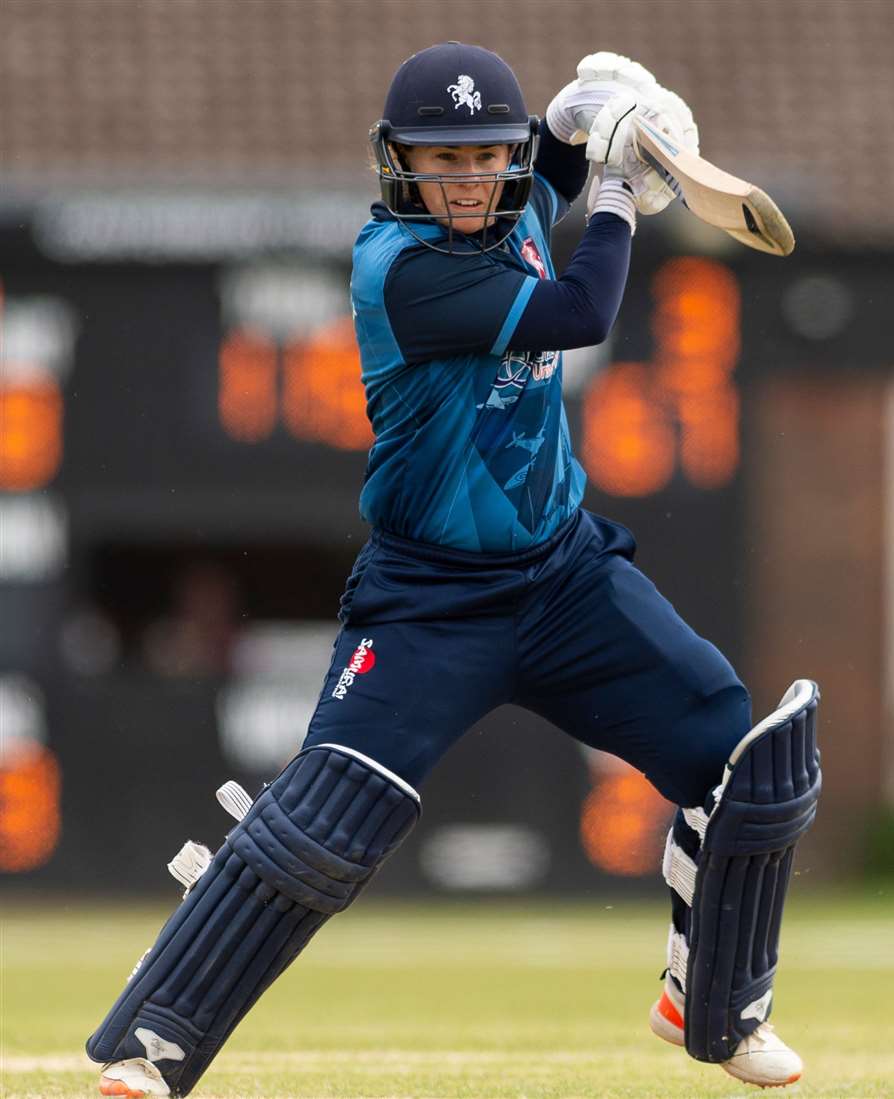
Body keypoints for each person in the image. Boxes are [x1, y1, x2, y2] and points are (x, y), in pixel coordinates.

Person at [87, 43, 821, 1097]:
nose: (471, 181)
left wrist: (587, 113)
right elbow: (583, 314)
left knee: (740, 751)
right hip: (430, 600)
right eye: (446, 160)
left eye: (488, 158)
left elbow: (551, 166)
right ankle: (155, 1043)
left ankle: (711, 997)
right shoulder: (406, 269)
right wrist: (620, 184)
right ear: (403, 166)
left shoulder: (511, 201)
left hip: (565, 577)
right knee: (324, 823)